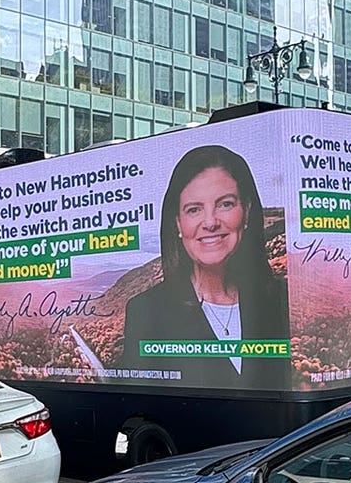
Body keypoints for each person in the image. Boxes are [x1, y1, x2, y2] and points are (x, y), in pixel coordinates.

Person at [122, 145, 289, 388]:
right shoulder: (146, 311)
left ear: (246, 211)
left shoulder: (283, 301)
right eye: (194, 209)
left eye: (225, 204)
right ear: (178, 223)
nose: (210, 222)